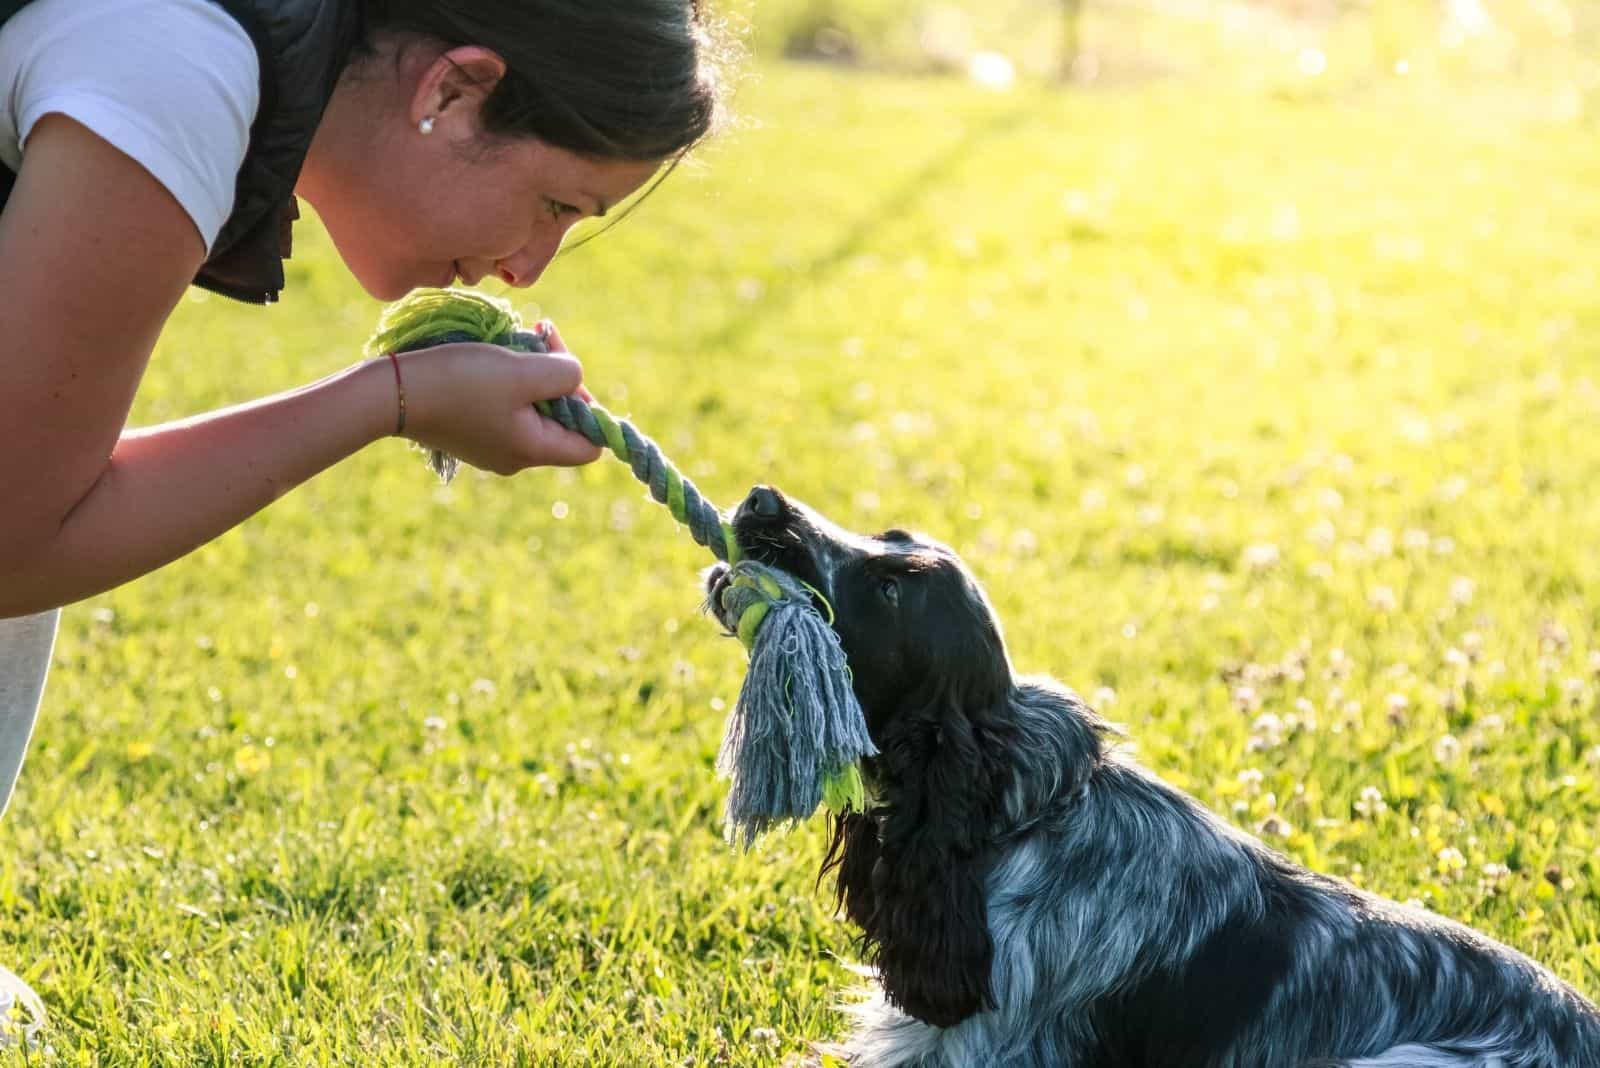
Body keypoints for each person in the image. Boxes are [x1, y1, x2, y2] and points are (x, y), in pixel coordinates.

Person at [0, 0, 727, 1041]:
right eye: (555, 204)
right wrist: (390, 400)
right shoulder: (176, 68)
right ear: (453, 89)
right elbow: (13, 539)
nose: (530, 267)